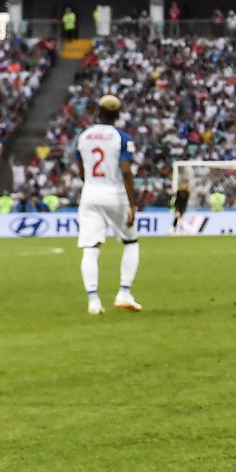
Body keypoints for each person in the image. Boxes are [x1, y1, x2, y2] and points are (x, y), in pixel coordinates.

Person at [74, 95, 143, 315]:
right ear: (118, 114)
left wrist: (91, 186)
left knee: (91, 248)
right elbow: (125, 171)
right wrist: (132, 205)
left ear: (98, 111)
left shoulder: (83, 137)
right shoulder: (121, 137)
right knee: (131, 242)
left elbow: (81, 169)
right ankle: (124, 292)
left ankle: (93, 301)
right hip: (115, 195)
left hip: (90, 195)